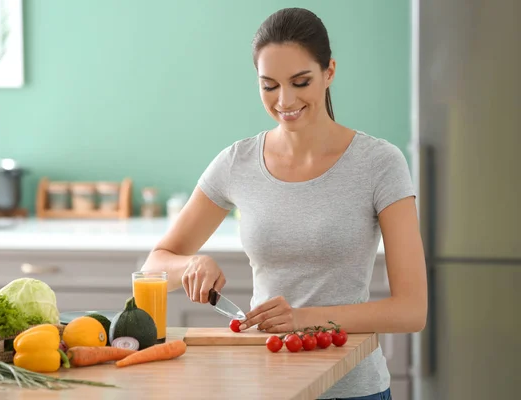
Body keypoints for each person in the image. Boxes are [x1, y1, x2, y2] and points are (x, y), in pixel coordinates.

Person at [142, 7, 427, 400]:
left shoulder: (379, 163)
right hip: (266, 385)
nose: (285, 100)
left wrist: (302, 320)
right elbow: (155, 263)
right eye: (269, 85)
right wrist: (189, 264)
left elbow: (411, 310)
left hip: (354, 390)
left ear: (329, 72)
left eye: (300, 81)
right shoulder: (236, 163)